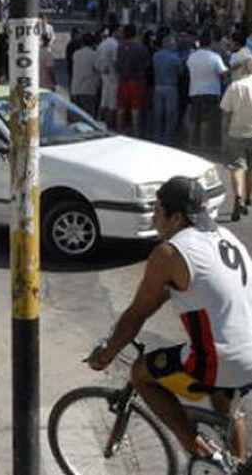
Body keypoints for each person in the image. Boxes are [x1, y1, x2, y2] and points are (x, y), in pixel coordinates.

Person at [88, 176, 252, 465]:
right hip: (248, 352)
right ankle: (237, 465)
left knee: (140, 373)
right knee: (226, 404)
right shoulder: (226, 237)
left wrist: (107, 354)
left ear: (176, 217)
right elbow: (196, 289)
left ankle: (198, 450)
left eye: (158, 209)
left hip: (223, 359)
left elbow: (138, 312)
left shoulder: (170, 252)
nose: (154, 216)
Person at [221, 56, 252, 221]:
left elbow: (226, 112)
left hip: (236, 133)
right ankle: (248, 197)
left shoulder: (235, 87)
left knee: (237, 167)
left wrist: (224, 132)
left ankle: (238, 196)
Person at [187, 33, 229, 150]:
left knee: (194, 119)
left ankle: (191, 143)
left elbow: (188, 69)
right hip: (211, 91)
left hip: (195, 90)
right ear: (210, 43)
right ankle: (203, 145)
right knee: (206, 120)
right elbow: (223, 73)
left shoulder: (192, 56)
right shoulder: (215, 57)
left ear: (199, 43)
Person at [116, 24, 152, 136]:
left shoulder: (120, 47)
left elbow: (118, 63)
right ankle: (137, 133)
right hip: (137, 81)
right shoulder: (140, 47)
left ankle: (120, 131)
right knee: (135, 109)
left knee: (121, 108)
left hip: (123, 81)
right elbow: (147, 64)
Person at [152, 36, 185, 145]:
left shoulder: (155, 56)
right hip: (170, 87)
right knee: (170, 114)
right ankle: (168, 139)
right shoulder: (174, 57)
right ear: (170, 44)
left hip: (158, 86)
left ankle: (157, 137)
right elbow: (181, 71)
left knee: (158, 113)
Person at [95, 26, 121, 126]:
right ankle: (110, 124)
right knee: (112, 103)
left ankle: (100, 122)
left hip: (104, 75)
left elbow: (96, 58)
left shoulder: (103, 43)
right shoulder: (115, 44)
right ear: (115, 32)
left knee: (104, 100)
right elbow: (115, 61)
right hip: (113, 76)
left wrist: (101, 69)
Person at [70, 32, 100, 117]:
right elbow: (100, 67)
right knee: (88, 116)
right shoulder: (94, 55)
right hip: (88, 89)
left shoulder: (76, 54)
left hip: (75, 89)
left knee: (76, 116)